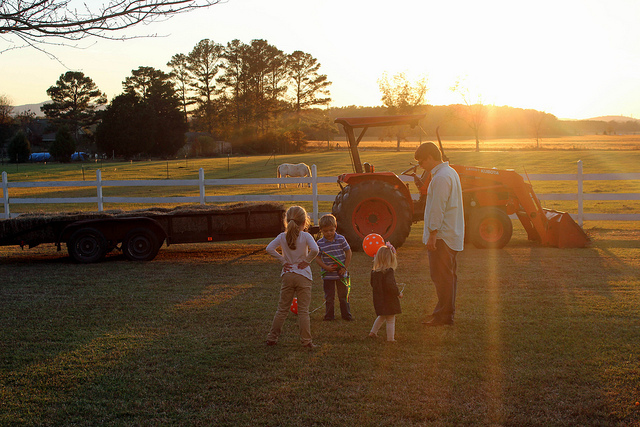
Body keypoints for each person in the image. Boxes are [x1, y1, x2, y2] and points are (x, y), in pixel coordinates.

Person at [414, 142, 464, 326]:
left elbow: (438, 208)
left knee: (441, 276)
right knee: (448, 276)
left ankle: (443, 316)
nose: (421, 165)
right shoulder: (450, 173)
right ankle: (444, 313)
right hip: (450, 234)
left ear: (430, 157)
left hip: (442, 235)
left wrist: (433, 233)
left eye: (421, 161)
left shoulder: (441, 177)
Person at [266, 206, 320, 348]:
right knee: (303, 311)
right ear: (304, 222)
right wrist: (307, 261)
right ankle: (306, 341)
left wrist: (284, 261)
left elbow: (269, 248)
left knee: (282, 309)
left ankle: (272, 337)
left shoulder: (282, 236)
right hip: (303, 276)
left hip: (288, 275)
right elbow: (315, 250)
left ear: (286, 221)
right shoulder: (306, 236)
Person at [314, 214, 353, 321]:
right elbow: (317, 258)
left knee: (343, 296)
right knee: (329, 297)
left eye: (331, 230)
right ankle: (329, 316)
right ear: (321, 230)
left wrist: (344, 267)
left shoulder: (341, 239)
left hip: (341, 274)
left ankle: (346, 316)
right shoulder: (320, 243)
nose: (329, 233)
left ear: (335, 228)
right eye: (326, 231)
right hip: (328, 276)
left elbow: (348, 252)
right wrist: (325, 267)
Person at [368, 244, 402, 342]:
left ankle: (373, 332)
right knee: (390, 318)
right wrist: (398, 293)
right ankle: (390, 339)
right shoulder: (389, 271)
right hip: (389, 299)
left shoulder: (374, 272)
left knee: (382, 316)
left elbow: (372, 284)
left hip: (379, 299)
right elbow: (390, 285)